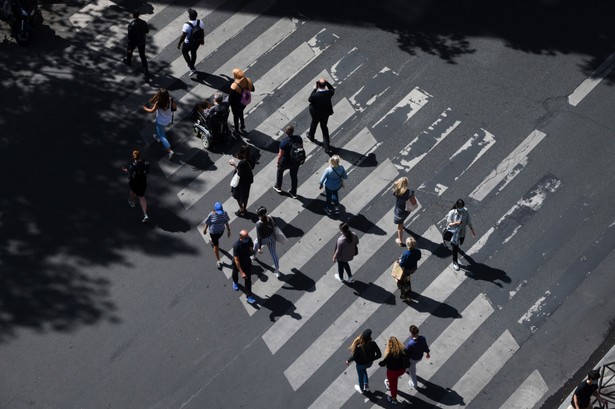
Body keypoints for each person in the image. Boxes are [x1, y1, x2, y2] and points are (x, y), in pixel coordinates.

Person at [345, 329, 382, 395]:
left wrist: (349, 360)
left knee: (360, 376)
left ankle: (361, 389)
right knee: (363, 370)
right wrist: (372, 359)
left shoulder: (359, 347)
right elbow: (379, 355)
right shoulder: (373, 344)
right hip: (369, 363)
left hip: (360, 365)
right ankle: (366, 385)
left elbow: (355, 357)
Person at [143, 88, 177, 159]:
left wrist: (145, 108)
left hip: (160, 121)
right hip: (168, 119)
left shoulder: (158, 103)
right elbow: (174, 107)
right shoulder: (170, 99)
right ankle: (158, 137)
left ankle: (170, 151)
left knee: (163, 136)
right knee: (160, 131)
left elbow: (152, 111)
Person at [445, 199, 476, 271]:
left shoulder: (465, 212)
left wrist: (472, 230)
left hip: (462, 233)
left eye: (462, 207)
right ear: (457, 206)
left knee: (460, 243)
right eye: (460, 207)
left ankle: (455, 245)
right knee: (455, 248)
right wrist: (456, 223)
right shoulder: (452, 213)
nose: (461, 208)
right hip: (454, 234)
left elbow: (468, 222)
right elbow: (448, 224)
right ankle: (455, 262)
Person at [273, 125, 303, 199]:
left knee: (280, 171)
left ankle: (278, 186)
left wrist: (278, 162)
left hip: (285, 161)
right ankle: (293, 192)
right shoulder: (298, 138)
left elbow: (280, 154)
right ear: (293, 131)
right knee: (294, 176)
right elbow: (301, 148)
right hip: (295, 161)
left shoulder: (284, 142)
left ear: (286, 132)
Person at [307, 77, 335, 153]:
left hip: (315, 113)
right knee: (324, 127)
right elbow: (332, 89)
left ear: (318, 85)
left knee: (314, 123)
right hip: (325, 113)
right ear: (325, 85)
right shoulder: (329, 93)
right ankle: (327, 147)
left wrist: (315, 89)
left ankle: (311, 136)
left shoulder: (315, 95)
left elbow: (309, 99)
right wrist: (327, 82)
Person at [122, 149, 150, 223]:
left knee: (132, 190)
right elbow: (147, 170)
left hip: (135, 183)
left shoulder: (132, 166)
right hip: (143, 183)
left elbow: (130, 176)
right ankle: (145, 214)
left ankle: (132, 201)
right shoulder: (146, 163)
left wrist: (126, 171)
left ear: (133, 157)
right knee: (142, 197)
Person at [379, 336, 408, 405]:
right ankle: (389, 383)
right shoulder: (403, 350)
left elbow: (383, 363)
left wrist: (380, 363)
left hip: (392, 373)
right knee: (394, 380)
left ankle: (393, 399)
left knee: (394, 386)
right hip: (401, 370)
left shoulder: (390, 355)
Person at [252, 206, 280, 278]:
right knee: (274, 254)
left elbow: (259, 237)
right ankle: (277, 270)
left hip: (264, 239)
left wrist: (260, 248)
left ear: (260, 215)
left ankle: (253, 256)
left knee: (255, 244)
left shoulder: (259, 224)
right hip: (272, 238)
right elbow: (275, 225)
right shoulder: (270, 218)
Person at [176, 8, 205, 76]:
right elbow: (202, 32)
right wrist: (202, 40)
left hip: (188, 42)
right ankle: (191, 66)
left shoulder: (186, 25)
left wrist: (179, 44)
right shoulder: (200, 22)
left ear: (189, 16)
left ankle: (191, 68)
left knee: (185, 52)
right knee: (193, 52)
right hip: (197, 42)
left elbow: (183, 36)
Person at [203, 202, 231, 270]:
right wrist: (205, 229)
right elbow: (207, 223)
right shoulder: (211, 215)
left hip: (221, 231)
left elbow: (226, 221)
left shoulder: (224, 213)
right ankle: (218, 261)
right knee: (216, 246)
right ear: (214, 210)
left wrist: (228, 230)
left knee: (215, 240)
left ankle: (211, 240)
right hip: (213, 233)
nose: (219, 213)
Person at [123, 9, 149, 79]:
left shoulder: (131, 24)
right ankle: (146, 69)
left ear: (133, 15)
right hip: (142, 41)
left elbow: (130, 36)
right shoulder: (143, 22)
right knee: (142, 56)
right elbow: (147, 31)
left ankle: (128, 61)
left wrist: (129, 43)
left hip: (133, 42)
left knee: (129, 51)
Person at [232, 230, 256, 304]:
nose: (248, 237)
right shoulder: (236, 245)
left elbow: (251, 248)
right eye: (246, 237)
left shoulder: (249, 239)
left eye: (248, 235)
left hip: (247, 262)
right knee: (235, 273)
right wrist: (242, 272)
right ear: (241, 237)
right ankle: (235, 282)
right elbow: (236, 261)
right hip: (238, 263)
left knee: (248, 279)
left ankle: (249, 296)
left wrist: (252, 251)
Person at [228, 68, 255, 135]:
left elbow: (230, 98)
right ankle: (242, 125)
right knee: (241, 112)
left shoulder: (234, 86)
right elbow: (253, 89)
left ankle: (236, 129)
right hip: (244, 102)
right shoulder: (247, 80)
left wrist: (227, 104)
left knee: (235, 116)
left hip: (236, 104)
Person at [229, 145, 254, 216]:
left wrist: (234, 165)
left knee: (237, 195)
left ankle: (241, 209)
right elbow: (251, 167)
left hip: (241, 182)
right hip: (248, 181)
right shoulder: (251, 158)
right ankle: (244, 208)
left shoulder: (242, 163)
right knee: (246, 195)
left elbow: (239, 173)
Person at [405, 324, 430, 389]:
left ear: (411, 333)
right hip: (419, 357)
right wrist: (427, 353)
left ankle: (414, 384)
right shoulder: (422, 338)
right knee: (411, 367)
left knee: (412, 372)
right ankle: (407, 369)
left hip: (412, 359)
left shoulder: (411, 343)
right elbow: (425, 346)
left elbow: (406, 353)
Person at [392, 176, 415, 246]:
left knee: (400, 226)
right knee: (402, 221)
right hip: (407, 210)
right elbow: (413, 202)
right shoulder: (410, 192)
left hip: (399, 210)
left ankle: (400, 240)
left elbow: (394, 194)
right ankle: (402, 226)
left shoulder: (396, 191)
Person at [397, 237, 421, 302]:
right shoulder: (418, 251)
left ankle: (407, 297)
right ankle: (402, 286)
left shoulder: (406, 254)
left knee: (406, 283)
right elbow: (418, 258)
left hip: (406, 270)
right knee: (406, 281)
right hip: (413, 268)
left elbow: (402, 264)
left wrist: (399, 260)